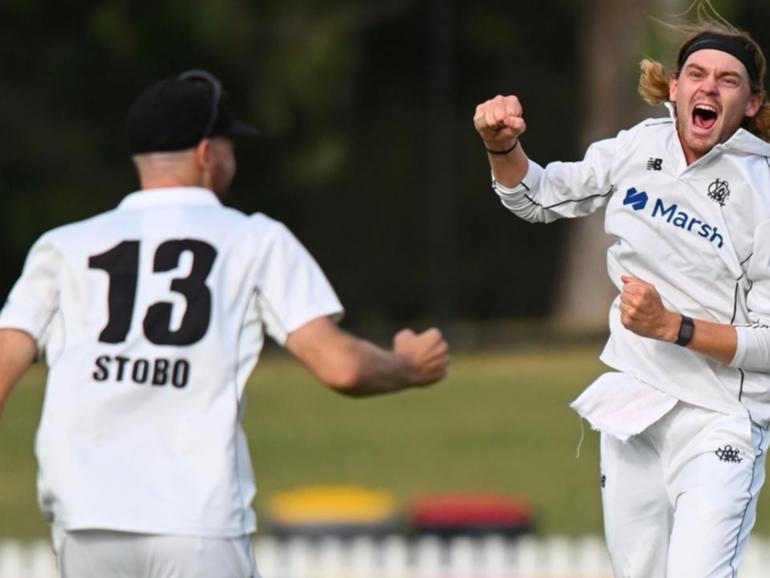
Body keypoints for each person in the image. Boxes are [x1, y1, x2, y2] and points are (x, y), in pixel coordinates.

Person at [0, 69, 449, 578]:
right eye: (230, 145)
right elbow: (340, 366)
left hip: (86, 520)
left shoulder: (65, 245)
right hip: (195, 520)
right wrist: (407, 365)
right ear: (206, 154)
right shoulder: (253, 240)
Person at [473, 4, 770, 577]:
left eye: (728, 80)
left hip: (720, 420)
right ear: (676, 87)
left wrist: (674, 328)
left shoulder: (763, 191)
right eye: (698, 74)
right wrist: (501, 147)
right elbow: (537, 196)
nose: (709, 86)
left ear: (751, 104)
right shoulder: (637, 147)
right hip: (636, 404)